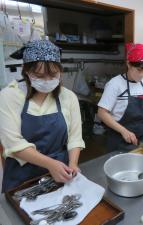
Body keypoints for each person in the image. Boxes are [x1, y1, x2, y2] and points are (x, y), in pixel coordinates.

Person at [0, 40, 85, 192]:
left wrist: (72, 164)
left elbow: (75, 137)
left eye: (53, 75)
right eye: (39, 75)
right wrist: (50, 164)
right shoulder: (9, 96)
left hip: (61, 171)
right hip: (22, 175)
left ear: (60, 71)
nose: (47, 81)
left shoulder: (68, 97)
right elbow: (13, 143)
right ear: (25, 71)